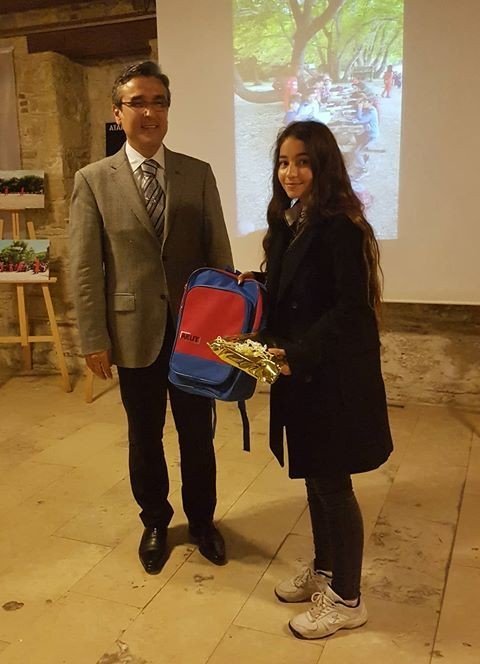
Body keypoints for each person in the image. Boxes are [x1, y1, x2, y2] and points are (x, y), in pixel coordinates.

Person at [69, 61, 233, 574]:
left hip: (193, 335)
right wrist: (93, 337)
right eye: (137, 102)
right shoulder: (93, 180)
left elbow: (219, 256)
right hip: (131, 330)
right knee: (144, 436)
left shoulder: (196, 173)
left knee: (197, 434)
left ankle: (202, 521)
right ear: (117, 112)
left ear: (167, 109)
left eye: (158, 102)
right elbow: (85, 267)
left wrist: (226, 332)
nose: (149, 112)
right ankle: (156, 521)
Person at [239, 121, 393, 639]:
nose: (291, 172)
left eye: (303, 162)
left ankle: (347, 599)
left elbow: (350, 309)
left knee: (333, 486)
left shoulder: (341, 225)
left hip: (329, 375)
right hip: (299, 372)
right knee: (313, 477)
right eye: (284, 162)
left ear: (323, 165)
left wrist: (298, 353)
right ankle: (326, 571)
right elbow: (303, 288)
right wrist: (259, 283)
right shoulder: (291, 221)